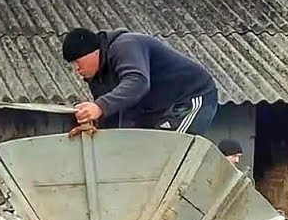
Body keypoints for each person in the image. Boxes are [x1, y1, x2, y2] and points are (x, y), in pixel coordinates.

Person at [61, 27, 219, 138]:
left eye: (77, 62)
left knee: (171, 150)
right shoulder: (97, 76)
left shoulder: (125, 46)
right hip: (156, 109)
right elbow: (114, 116)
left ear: (94, 52)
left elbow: (138, 82)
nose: (76, 69)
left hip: (190, 96)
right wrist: (95, 128)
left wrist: (100, 107)